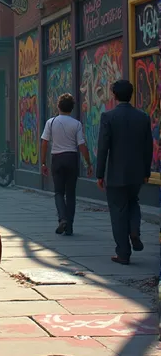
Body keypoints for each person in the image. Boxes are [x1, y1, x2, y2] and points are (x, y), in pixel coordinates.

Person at [96, 79, 153, 265]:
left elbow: (103, 148)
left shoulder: (108, 117)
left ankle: (123, 253)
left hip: (116, 174)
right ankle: (135, 230)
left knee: (118, 211)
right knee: (133, 202)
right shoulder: (143, 117)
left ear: (114, 95)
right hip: (137, 173)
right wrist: (146, 171)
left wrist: (100, 174)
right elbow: (148, 148)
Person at [41, 93, 93, 236]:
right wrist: (88, 163)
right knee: (70, 194)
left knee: (58, 192)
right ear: (72, 108)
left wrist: (43, 162)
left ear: (58, 106)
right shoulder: (76, 124)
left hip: (57, 159)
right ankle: (69, 226)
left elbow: (44, 143)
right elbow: (81, 145)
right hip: (72, 158)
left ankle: (62, 218)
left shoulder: (50, 122)